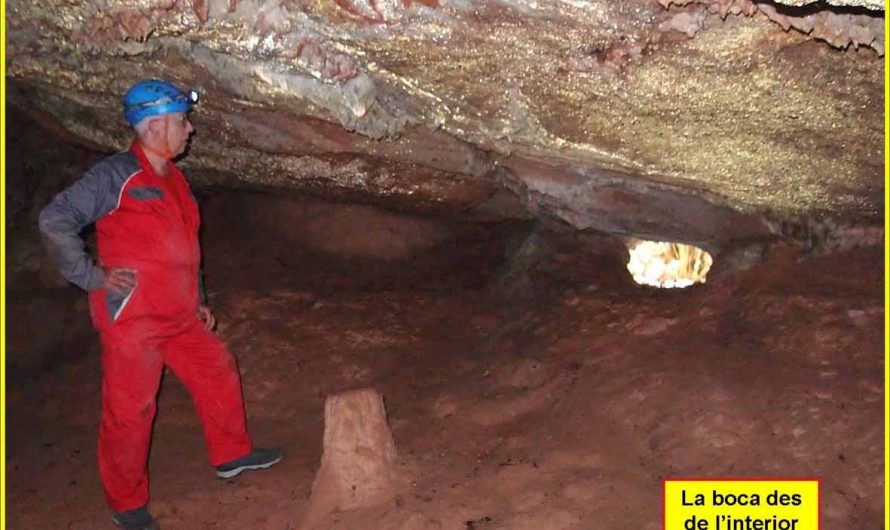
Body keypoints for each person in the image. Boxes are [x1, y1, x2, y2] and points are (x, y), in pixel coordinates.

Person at [38, 79, 283, 530]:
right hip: (134, 318)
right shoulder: (115, 174)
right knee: (132, 409)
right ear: (154, 126)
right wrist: (91, 276)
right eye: (182, 121)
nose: (190, 130)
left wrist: (200, 300)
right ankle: (126, 503)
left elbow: (187, 246)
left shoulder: (176, 177)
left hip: (179, 314)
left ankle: (232, 455)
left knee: (216, 368)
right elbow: (55, 219)